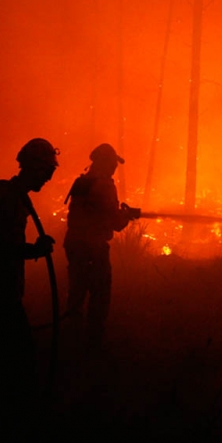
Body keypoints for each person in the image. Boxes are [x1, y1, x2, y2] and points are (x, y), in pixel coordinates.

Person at [0, 138, 58, 409]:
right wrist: (28, 250)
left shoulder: (18, 197)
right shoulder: (3, 192)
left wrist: (30, 250)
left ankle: (4, 401)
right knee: (14, 352)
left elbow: (6, 243)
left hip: (5, 285)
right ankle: (7, 408)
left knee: (7, 350)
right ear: (33, 167)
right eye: (47, 172)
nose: (49, 179)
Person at [63, 143, 139, 350]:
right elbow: (114, 223)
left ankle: (70, 339)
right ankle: (92, 344)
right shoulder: (104, 185)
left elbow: (89, 212)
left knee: (76, 292)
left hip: (74, 243)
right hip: (93, 247)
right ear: (105, 163)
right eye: (113, 162)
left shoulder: (82, 181)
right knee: (100, 294)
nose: (115, 167)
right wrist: (127, 216)